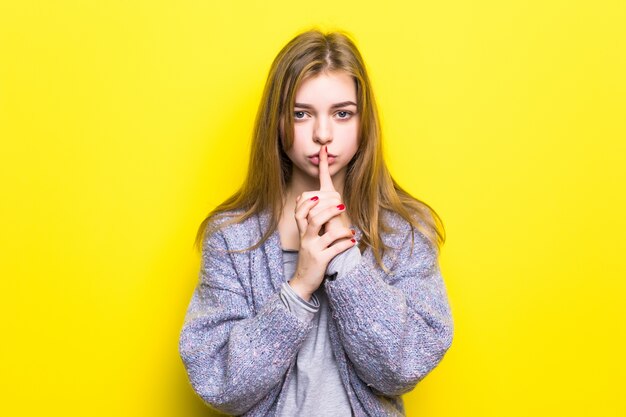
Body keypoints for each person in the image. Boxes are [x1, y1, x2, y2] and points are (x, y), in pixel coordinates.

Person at [179, 29, 454, 417]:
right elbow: (218, 383)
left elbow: (403, 367)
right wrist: (300, 286)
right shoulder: (231, 238)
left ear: (364, 123)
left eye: (342, 114)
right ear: (276, 121)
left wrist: (344, 260)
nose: (323, 135)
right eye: (301, 114)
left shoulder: (403, 232)